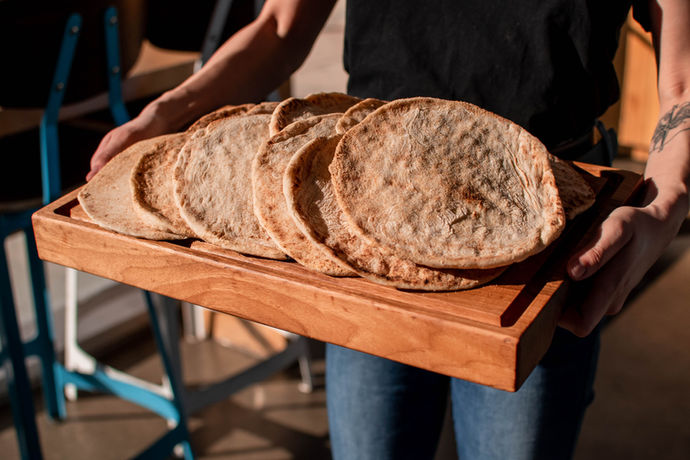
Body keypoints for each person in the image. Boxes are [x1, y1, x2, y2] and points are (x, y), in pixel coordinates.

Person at [88, 1, 690, 458]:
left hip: (544, 233)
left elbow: (682, 83)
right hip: (359, 234)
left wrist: (666, 204)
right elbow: (279, 27)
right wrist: (169, 111)